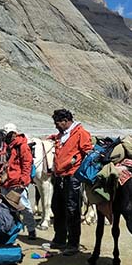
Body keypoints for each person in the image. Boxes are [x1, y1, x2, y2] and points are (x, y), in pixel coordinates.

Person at [47, 109, 93, 256]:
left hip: (73, 177)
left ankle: (73, 243)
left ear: (66, 121)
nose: (56, 126)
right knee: (57, 206)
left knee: (72, 209)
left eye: (57, 123)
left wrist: (77, 165)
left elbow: (88, 151)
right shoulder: (61, 135)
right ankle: (60, 239)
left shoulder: (81, 133)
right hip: (60, 176)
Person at [2, 123, 36, 240]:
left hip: (17, 181)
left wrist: (23, 181)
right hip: (6, 181)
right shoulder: (7, 146)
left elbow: (27, 164)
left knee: (24, 206)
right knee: (8, 207)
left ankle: (31, 230)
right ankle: (12, 229)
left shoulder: (22, 146)